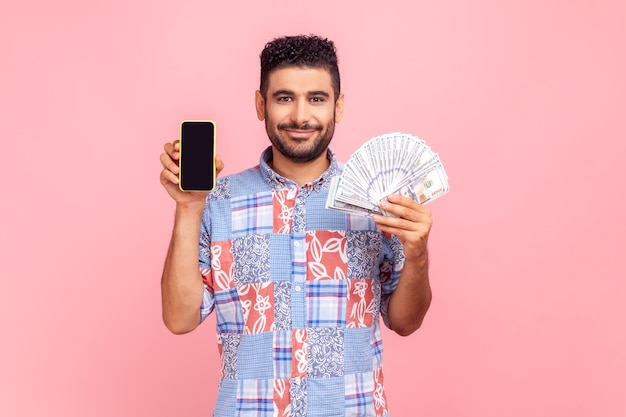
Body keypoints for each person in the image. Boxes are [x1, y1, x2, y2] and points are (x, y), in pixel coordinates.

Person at [159, 34, 433, 417]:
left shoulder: (378, 201)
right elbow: (179, 318)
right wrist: (189, 207)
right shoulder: (217, 202)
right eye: (284, 98)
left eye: (316, 99)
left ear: (338, 106)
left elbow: (405, 321)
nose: (301, 116)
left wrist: (418, 252)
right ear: (261, 104)